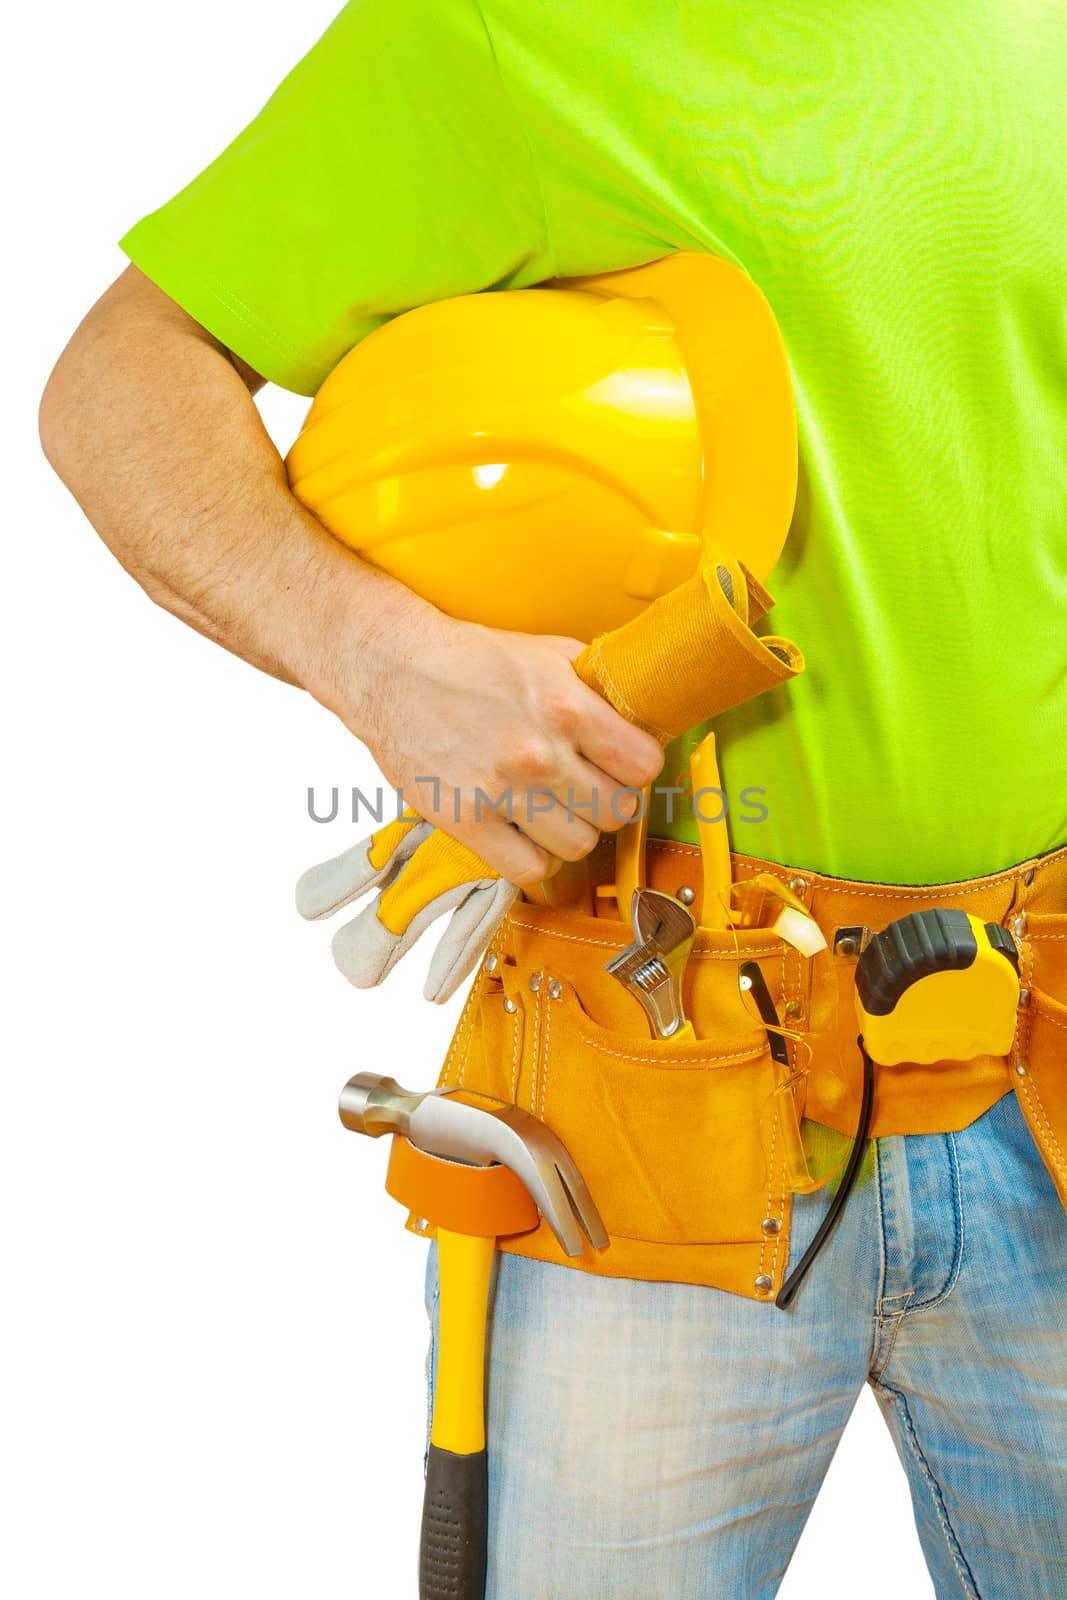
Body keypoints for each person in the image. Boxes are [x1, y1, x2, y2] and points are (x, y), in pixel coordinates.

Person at [39, 3, 1067, 1595]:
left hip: (1052, 1070)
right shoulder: (500, 34)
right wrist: (381, 664)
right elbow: (117, 387)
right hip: (652, 1111)